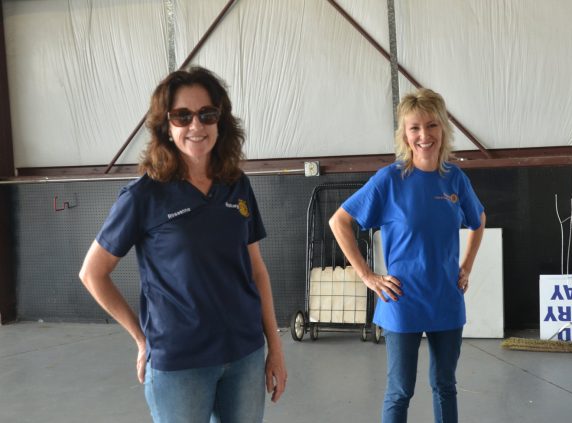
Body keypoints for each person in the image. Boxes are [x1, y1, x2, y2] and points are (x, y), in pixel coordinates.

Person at [79, 66, 287, 423]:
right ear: (166, 125)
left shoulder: (236, 185)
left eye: (207, 114)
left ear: (220, 121)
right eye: (182, 116)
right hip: (180, 363)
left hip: (245, 355)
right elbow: (93, 273)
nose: (196, 126)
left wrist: (275, 349)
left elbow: (256, 270)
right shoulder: (144, 195)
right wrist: (142, 339)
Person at [330, 88, 486, 423]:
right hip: (402, 301)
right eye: (414, 127)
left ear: (442, 128)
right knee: (400, 391)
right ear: (404, 134)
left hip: (446, 298)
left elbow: (478, 219)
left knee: (445, 385)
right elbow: (339, 221)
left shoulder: (455, 179)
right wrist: (367, 276)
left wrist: (467, 266)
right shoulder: (390, 179)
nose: (424, 135)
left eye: (431, 126)